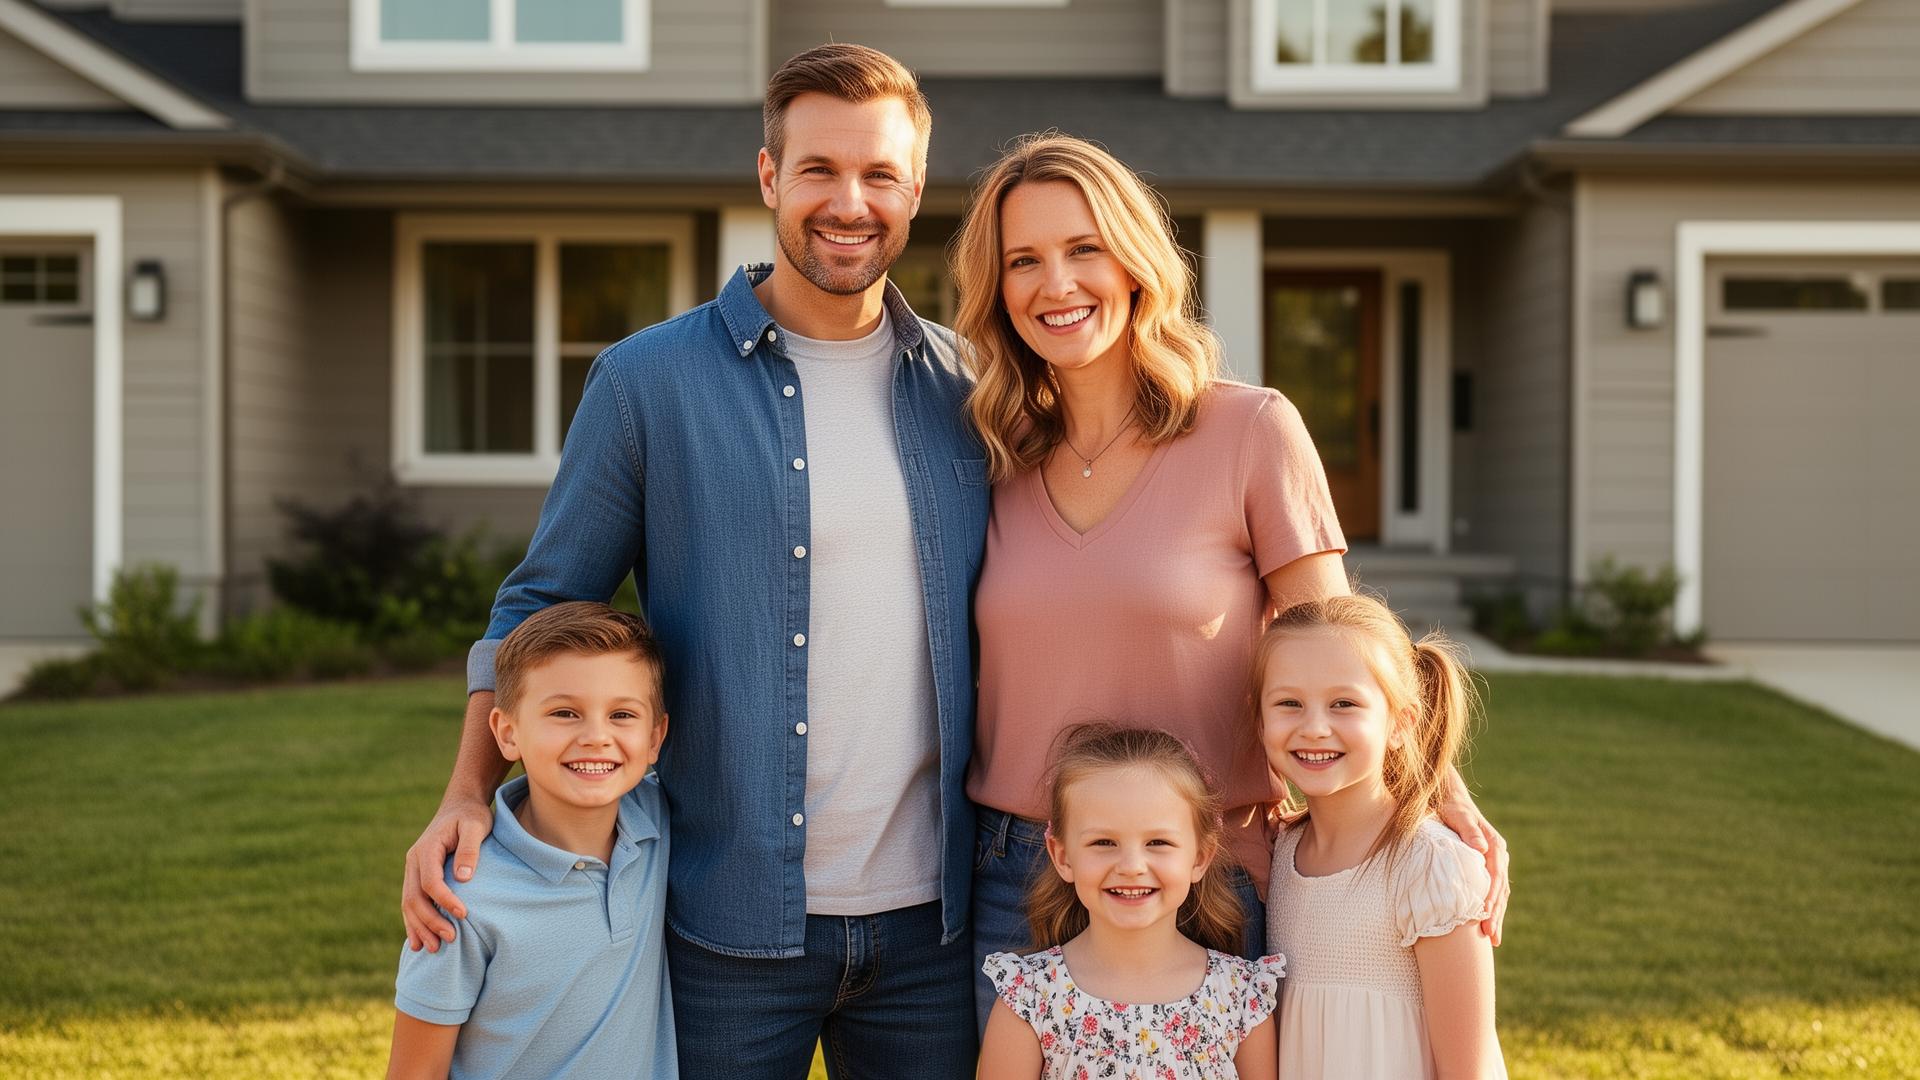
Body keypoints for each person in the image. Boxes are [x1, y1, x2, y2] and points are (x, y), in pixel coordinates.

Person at [397, 44, 986, 1078]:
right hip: (725, 925)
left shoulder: (969, 389)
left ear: (916, 191)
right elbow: (540, 601)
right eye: (818, 170)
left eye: (880, 175)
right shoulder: (645, 383)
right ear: (769, 177)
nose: (849, 202)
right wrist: (461, 794)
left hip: (931, 929)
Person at [952, 133, 1510, 1027]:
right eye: (1025, 260)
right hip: (1021, 875)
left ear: (1135, 262)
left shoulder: (1250, 431)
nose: (1056, 284)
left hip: (1207, 874)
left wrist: (1440, 788)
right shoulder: (990, 456)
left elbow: (1341, 644)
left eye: (1084, 248)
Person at [387, 602, 674, 1080]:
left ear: (654, 738)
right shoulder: (459, 900)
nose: (597, 737)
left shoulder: (657, 824)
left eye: (622, 714)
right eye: (565, 713)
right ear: (506, 732)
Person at [1256, 596, 1506, 1079]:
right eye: (1289, 703)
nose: (1314, 728)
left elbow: (1468, 1071)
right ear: (1259, 720)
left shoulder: (1429, 865)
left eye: (1344, 704)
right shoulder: (1281, 850)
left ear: (1400, 724)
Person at [977, 724, 1283, 1080]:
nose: (1132, 867)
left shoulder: (1240, 999)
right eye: (1104, 843)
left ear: (1200, 857)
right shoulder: (1030, 997)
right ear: (1062, 857)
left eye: (1158, 843)